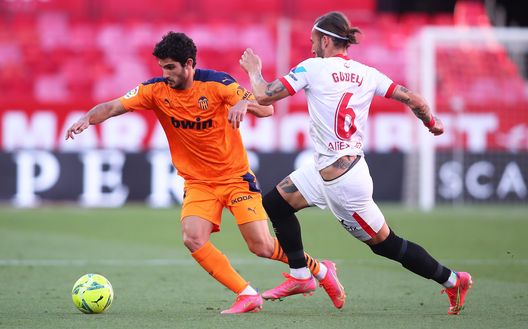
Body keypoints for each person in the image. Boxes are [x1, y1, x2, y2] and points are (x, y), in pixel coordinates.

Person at [65, 31, 345, 314]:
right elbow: (113, 106)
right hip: (198, 183)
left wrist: (242, 103)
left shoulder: (218, 84)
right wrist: (87, 118)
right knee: (193, 238)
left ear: (189, 64)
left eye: (170, 67)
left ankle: (320, 269)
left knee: (261, 246)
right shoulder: (154, 90)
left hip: (236, 179)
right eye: (162, 67)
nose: (165, 74)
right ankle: (247, 294)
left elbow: (267, 109)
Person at [239, 12, 473, 315]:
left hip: (344, 183)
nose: (311, 49)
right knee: (275, 203)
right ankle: (301, 276)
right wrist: (432, 122)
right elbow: (415, 100)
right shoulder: (368, 73)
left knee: (385, 244)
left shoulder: (314, 68)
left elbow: (263, 95)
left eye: (313, 42)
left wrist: (255, 71)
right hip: (327, 169)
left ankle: (453, 280)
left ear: (325, 40)